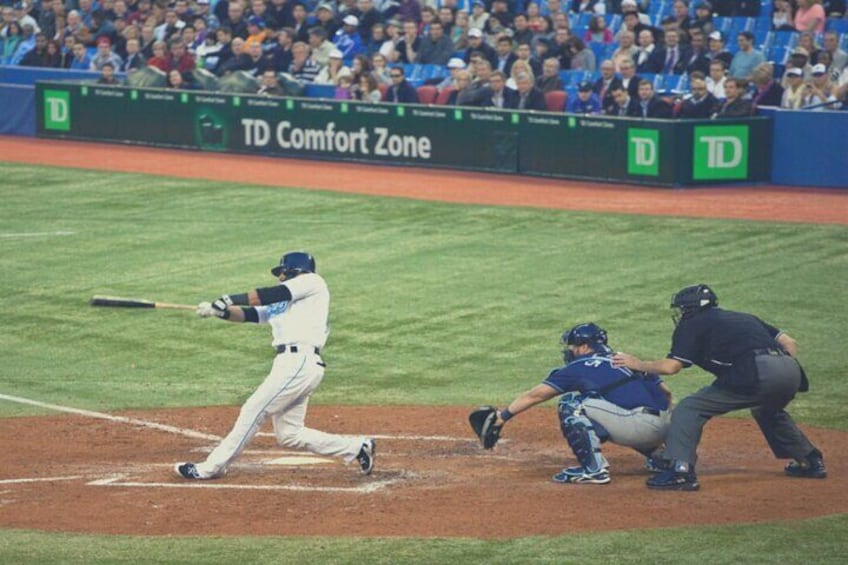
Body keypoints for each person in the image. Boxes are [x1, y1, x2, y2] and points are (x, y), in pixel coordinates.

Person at [175, 252, 376, 481]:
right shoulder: (284, 303)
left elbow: (270, 294)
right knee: (289, 434)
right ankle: (357, 448)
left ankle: (211, 468)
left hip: (299, 362)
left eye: (282, 271)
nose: (279, 276)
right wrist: (220, 312)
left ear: (294, 270)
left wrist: (228, 299)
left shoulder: (312, 283)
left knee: (254, 409)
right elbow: (251, 315)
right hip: (291, 365)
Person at [613, 284, 826, 491]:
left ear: (691, 309)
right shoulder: (742, 316)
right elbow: (789, 342)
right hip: (790, 370)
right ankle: (810, 460)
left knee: (690, 408)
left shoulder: (692, 324)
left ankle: (680, 471)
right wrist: (776, 365)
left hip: (757, 372)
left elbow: (671, 367)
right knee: (767, 409)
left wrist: (637, 364)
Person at [489, 323, 671, 485]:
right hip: (667, 426)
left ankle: (593, 470)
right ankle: (662, 457)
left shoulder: (581, 365)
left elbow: (536, 396)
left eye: (573, 346)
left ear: (584, 347)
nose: (570, 350)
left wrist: (502, 417)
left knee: (572, 404)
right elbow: (666, 393)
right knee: (620, 405)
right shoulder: (627, 360)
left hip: (639, 429)